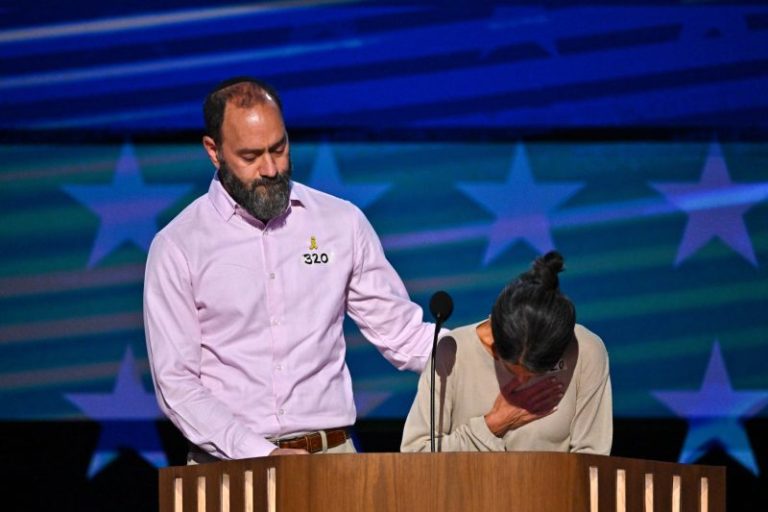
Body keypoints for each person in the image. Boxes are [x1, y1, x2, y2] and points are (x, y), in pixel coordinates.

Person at [143, 77, 437, 461]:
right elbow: (177, 384)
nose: (270, 168)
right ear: (214, 151)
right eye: (250, 156)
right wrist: (259, 453)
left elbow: (403, 335)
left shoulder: (341, 223)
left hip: (332, 459)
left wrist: (484, 350)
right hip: (229, 467)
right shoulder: (178, 245)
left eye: (279, 148)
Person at [401, 251, 612, 454]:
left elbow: (592, 459)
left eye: (534, 373)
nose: (522, 382)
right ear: (494, 344)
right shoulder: (452, 352)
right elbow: (416, 454)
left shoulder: (586, 350)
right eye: (513, 369)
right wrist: (491, 425)